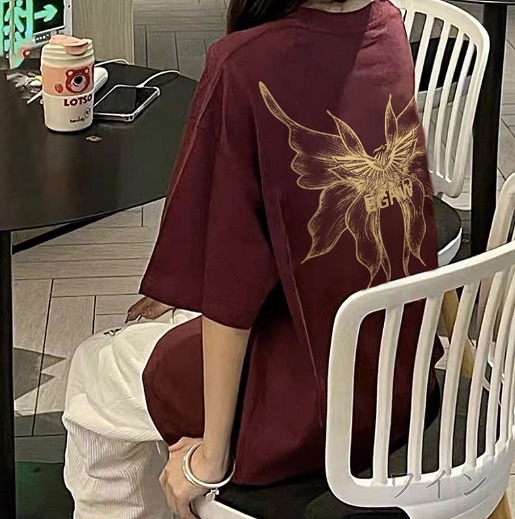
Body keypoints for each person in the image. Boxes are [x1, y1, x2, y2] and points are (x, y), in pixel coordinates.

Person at [62, 0, 443, 518]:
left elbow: (231, 289)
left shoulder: (243, 66)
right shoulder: (387, 25)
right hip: (397, 380)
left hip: (310, 410)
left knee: (95, 369)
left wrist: (210, 457)